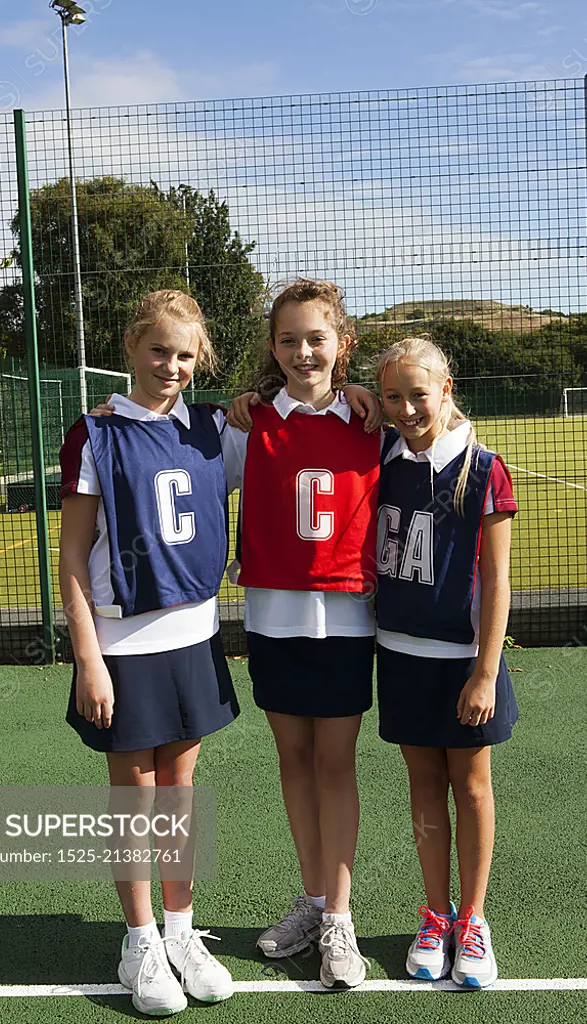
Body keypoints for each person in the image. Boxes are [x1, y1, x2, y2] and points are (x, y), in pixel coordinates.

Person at [59, 290, 238, 1017]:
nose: (171, 365)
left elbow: (296, 405)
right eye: (159, 350)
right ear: (131, 347)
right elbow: (72, 558)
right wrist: (89, 659)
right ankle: (138, 941)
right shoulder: (94, 435)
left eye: (185, 355)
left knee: (179, 794)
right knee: (134, 797)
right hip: (121, 642)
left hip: (193, 635)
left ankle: (182, 933)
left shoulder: (214, 428)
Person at [224, 278, 382, 990]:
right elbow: (176, 448)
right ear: (271, 347)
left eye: (315, 337)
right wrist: (108, 415)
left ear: (341, 344)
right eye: (287, 339)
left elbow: (434, 418)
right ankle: (313, 902)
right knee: (292, 761)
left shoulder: (370, 422)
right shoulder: (248, 421)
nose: (301, 351)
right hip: (272, 616)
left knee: (333, 763)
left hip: (345, 615)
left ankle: (340, 920)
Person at [373, 336, 518, 989]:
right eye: (391, 396)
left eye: (417, 395)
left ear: (446, 390)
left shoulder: (483, 468)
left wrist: (484, 670)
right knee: (424, 786)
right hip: (401, 656)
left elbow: (497, 581)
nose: (405, 408)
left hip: (462, 663)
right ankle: (434, 915)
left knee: (472, 787)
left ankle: (474, 921)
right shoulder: (380, 455)